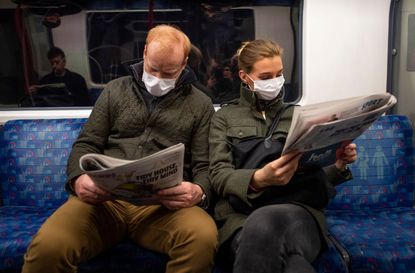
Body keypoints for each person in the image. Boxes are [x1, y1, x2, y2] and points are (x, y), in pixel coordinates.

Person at [22, 25, 218, 273]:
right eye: (153, 69)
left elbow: (203, 165)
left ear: (184, 63)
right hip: (105, 204)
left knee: (202, 238)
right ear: (145, 52)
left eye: (168, 73)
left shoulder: (200, 104)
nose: (158, 79)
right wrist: (78, 179)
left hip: (162, 208)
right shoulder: (115, 90)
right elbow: (86, 143)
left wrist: (198, 191)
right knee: (48, 248)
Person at [208, 40, 357, 273]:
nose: (275, 82)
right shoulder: (224, 118)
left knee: (264, 224)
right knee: (293, 265)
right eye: (266, 77)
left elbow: (314, 172)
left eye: (279, 75)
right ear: (244, 76)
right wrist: (258, 179)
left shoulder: (300, 116)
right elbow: (218, 175)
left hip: (297, 211)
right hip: (241, 216)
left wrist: (338, 163)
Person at [27, 47, 91, 106]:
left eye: (57, 62)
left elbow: (85, 101)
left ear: (64, 62)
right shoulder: (45, 80)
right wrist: (34, 92)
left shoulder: (78, 79)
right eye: (52, 63)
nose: (54, 66)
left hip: (71, 110)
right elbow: (39, 101)